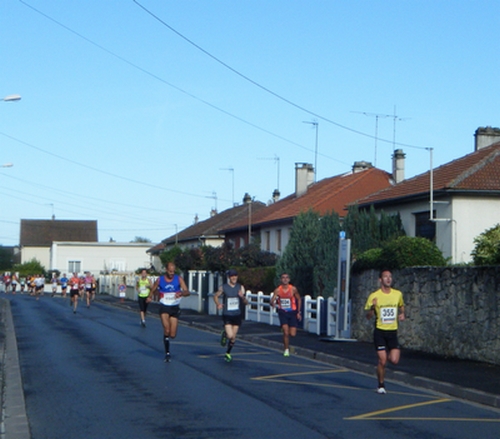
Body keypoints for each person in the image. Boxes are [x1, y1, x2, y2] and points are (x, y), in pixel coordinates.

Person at [365, 269, 405, 394]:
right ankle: (381, 385)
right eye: (385, 277)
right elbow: (368, 316)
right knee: (382, 360)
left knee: (394, 360)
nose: (388, 279)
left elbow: (401, 306)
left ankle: (384, 356)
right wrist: (372, 307)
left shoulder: (397, 294)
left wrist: (402, 314)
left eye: (390, 277)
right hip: (380, 332)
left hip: (392, 332)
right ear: (380, 280)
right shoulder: (374, 296)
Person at [149, 262, 189, 362]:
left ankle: (167, 339)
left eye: (173, 271)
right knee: (166, 329)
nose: (172, 273)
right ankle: (167, 353)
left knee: (172, 335)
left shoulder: (178, 279)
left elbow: (187, 291)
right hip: (164, 307)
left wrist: (182, 293)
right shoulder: (160, 280)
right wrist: (150, 297)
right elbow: (153, 289)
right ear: (166, 270)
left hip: (174, 307)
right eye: (170, 271)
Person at [213, 269, 249, 363]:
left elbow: (246, 303)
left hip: (237, 315)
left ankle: (228, 353)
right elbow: (215, 296)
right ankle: (225, 334)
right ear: (229, 277)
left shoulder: (240, 287)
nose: (234, 278)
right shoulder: (224, 287)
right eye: (232, 276)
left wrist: (242, 297)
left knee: (233, 337)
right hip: (227, 314)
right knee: (230, 335)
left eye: (235, 276)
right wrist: (218, 304)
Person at [270, 273, 302, 357]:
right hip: (282, 312)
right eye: (283, 278)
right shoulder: (278, 290)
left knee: (293, 334)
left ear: (289, 279)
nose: (285, 279)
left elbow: (299, 299)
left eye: (287, 278)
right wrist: (272, 303)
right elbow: (272, 300)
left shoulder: (293, 289)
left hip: (292, 312)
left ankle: (285, 330)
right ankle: (286, 349)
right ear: (281, 279)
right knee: (286, 332)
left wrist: (298, 312)